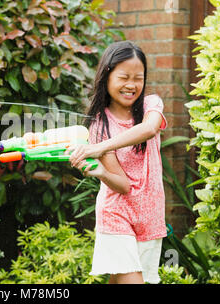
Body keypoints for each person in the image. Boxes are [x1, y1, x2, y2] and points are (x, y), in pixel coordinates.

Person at [65, 41, 168, 284]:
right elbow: (121, 185)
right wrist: (101, 172)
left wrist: (99, 148)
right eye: (124, 77)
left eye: (138, 78)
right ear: (107, 76)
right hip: (116, 214)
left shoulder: (151, 104)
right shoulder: (99, 124)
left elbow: (150, 129)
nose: (131, 85)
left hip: (150, 215)